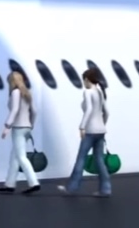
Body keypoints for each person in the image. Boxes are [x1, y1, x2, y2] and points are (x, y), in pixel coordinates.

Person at [58, 68, 111, 197]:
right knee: (99, 160)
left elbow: (89, 110)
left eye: (84, 80)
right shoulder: (100, 92)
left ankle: (72, 187)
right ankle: (106, 189)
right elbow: (107, 112)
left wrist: (82, 127)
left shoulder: (88, 92)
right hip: (101, 130)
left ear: (87, 79)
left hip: (90, 130)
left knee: (81, 158)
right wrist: (102, 125)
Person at [0, 70, 41, 194]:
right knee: (15, 157)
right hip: (27, 127)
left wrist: (7, 126)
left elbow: (14, 110)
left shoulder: (15, 92)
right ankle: (9, 184)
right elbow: (35, 111)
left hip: (18, 127)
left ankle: (33, 182)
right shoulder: (27, 92)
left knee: (21, 157)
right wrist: (31, 124)